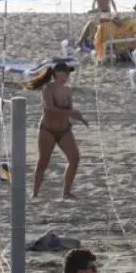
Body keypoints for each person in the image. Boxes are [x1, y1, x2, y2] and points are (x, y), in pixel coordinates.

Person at [25, 63, 88, 200]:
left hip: (64, 130)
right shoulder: (48, 89)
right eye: (65, 72)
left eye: (68, 73)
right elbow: (49, 109)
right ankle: (35, 193)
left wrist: (79, 117)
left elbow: (70, 110)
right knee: (43, 162)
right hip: (48, 130)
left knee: (75, 158)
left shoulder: (67, 90)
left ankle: (66, 192)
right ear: (56, 74)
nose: (67, 75)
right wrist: (70, 112)